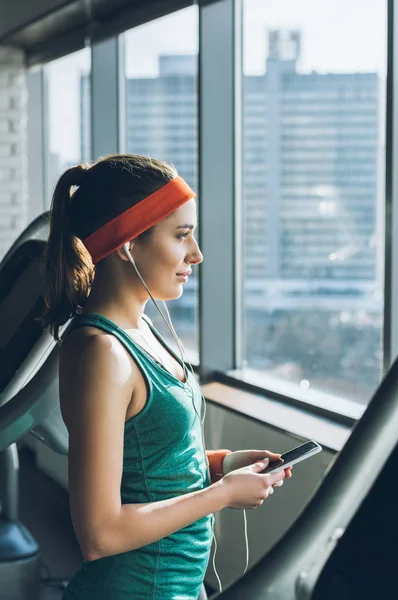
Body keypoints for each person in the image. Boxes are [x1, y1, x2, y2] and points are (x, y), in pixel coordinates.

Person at [39, 154, 292, 600]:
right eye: (181, 236)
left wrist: (223, 465)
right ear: (127, 242)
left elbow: (150, 464)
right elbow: (99, 535)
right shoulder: (102, 353)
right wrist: (223, 495)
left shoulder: (145, 328)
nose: (197, 254)